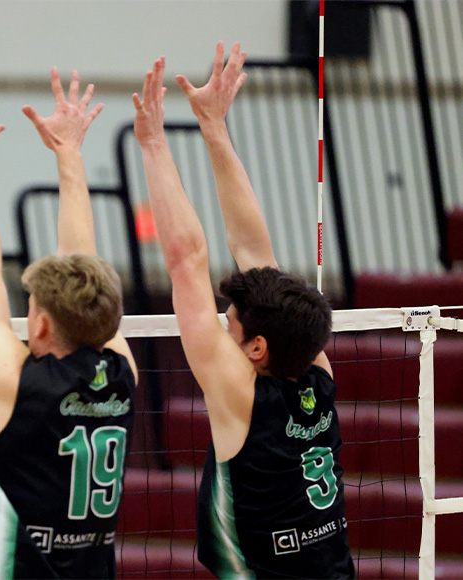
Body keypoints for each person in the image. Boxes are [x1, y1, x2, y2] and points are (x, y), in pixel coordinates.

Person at [132, 43, 354, 578]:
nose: (222, 321)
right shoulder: (314, 368)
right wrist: (213, 125)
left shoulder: (240, 393)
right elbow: (257, 255)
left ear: (256, 348)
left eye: (228, 321)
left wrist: (154, 144)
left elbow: (186, 262)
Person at [0, 69, 138, 578]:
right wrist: (70, 154)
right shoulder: (124, 373)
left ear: (39, 324)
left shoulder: (17, 381)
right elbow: (84, 263)